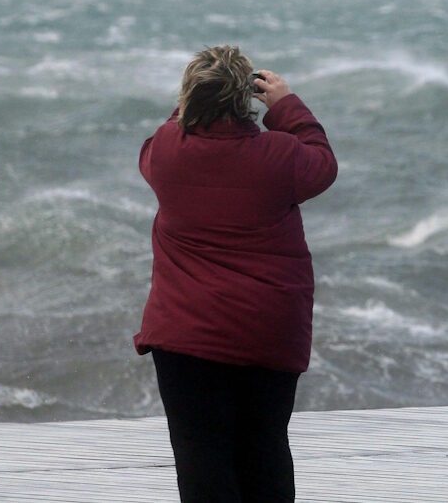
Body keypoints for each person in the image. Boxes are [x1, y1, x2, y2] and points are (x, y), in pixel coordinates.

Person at [133, 45, 337, 502]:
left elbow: (167, 131)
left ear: (190, 98)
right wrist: (285, 104)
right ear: (245, 98)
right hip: (267, 332)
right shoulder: (280, 156)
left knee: (200, 457)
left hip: (186, 337)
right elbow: (323, 165)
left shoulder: (165, 151)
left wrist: (191, 103)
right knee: (264, 452)